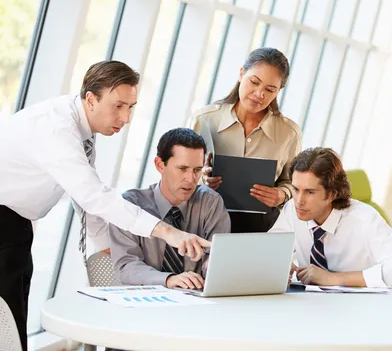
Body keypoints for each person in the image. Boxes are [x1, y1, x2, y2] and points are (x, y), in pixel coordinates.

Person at [0, 61, 209, 351]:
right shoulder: (56, 129)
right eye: (119, 106)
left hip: (16, 226)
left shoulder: (80, 129)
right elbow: (95, 196)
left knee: (13, 316)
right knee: (6, 324)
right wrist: (169, 233)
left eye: (131, 107)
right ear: (90, 99)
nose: (126, 118)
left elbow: (89, 207)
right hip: (4, 222)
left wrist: (105, 276)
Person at [269, 147, 392, 288]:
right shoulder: (291, 210)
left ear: (332, 194)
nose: (299, 201)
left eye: (310, 192)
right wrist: (280, 262)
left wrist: (334, 278)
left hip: (364, 308)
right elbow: (269, 249)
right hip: (311, 308)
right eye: (296, 189)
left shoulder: (364, 219)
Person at [188, 47, 301, 233]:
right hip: (204, 223)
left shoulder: (289, 133)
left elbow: (294, 183)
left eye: (270, 89)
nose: (259, 94)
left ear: (278, 91)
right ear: (241, 74)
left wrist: (282, 195)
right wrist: (202, 179)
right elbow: (181, 171)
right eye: (254, 82)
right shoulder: (205, 120)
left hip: (259, 229)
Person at [108, 128, 230, 289]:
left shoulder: (210, 202)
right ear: (160, 165)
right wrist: (168, 279)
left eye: (197, 170)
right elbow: (126, 266)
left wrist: (212, 266)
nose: (191, 178)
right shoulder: (130, 206)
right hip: (143, 301)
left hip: (195, 302)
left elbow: (219, 258)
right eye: (182, 168)